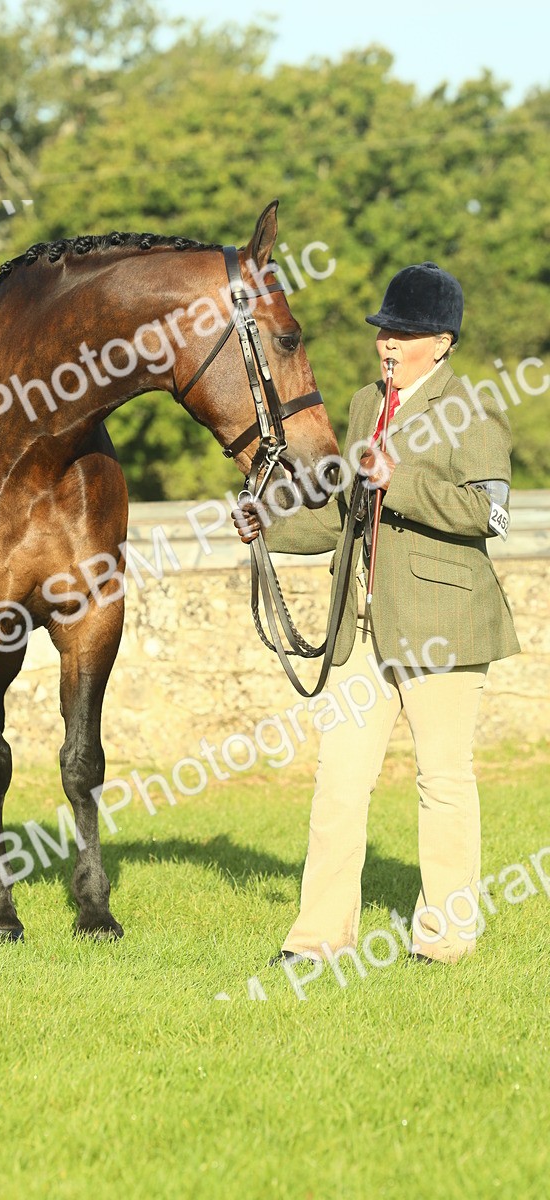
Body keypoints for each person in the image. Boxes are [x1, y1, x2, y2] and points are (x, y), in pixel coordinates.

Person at [232, 261, 520, 965]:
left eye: (406, 334)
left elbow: (491, 514)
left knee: (442, 782)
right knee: (337, 783)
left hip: (443, 626)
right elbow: (342, 515)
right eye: (385, 332)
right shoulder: (365, 405)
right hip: (359, 630)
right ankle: (318, 939)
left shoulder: (473, 409)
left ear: (442, 342)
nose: (388, 344)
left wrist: (407, 481)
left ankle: (446, 940)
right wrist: (268, 525)